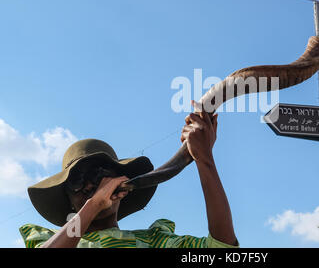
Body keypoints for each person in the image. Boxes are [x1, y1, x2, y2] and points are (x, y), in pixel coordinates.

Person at [19, 105, 239, 248]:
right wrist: (93, 204)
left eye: (100, 175)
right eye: (77, 182)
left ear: (121, 185)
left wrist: (204, 159)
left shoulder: (154, 241)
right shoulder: (48, 241)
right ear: (69, 201)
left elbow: (223, 247)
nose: (90, 185)